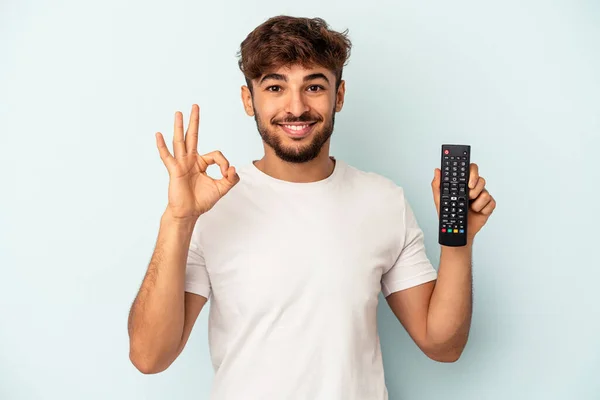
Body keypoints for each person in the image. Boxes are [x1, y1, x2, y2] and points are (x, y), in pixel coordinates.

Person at [127, 15, 496, 399]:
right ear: (247, 99)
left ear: (338, 95)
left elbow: (443, 345)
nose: (296, 107)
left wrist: (458, 244)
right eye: (275, 86)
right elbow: (150, 357)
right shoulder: (212, 207)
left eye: (314, 86)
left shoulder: (383, 201)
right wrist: (178, 220)